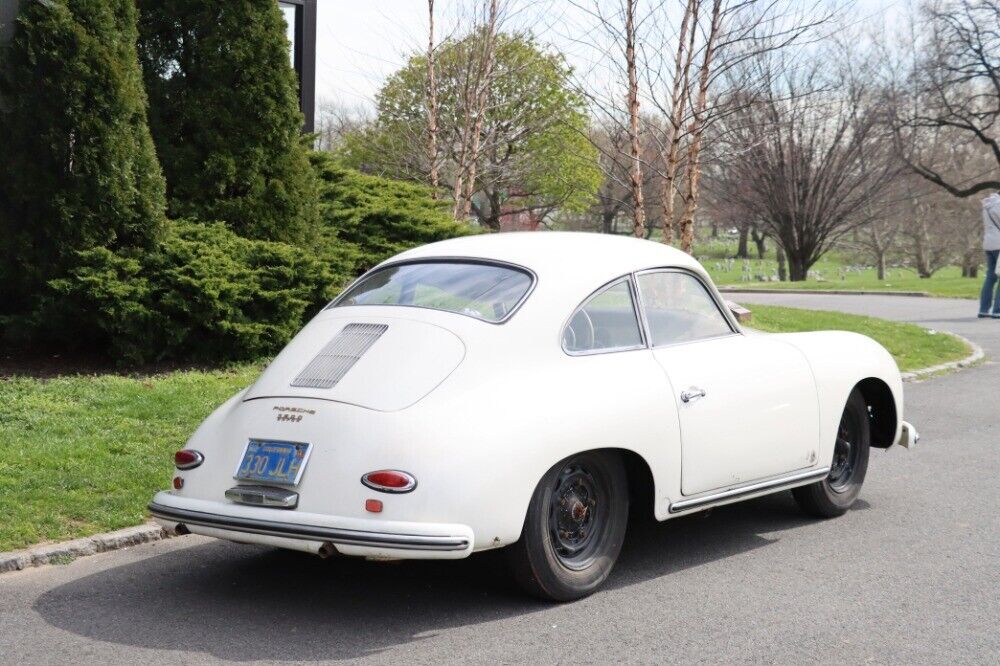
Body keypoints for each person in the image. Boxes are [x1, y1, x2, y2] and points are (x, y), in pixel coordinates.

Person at [980, 191, 1000, 318]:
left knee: (990, 277)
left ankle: (983, 309)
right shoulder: (998, 205)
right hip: (999, 243)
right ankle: (997, 310)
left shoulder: (987, 205)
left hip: (989, 243)